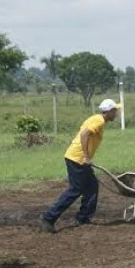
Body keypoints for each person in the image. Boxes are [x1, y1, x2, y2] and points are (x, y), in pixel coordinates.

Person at [40, 99, 120, 233]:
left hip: (77, 158)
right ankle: (49, 217)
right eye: (115, 111)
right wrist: (86, 157)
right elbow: (84, 135)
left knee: (92, 187)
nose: (116, 113)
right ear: (110, 111)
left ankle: (83, 218)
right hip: (77, 159)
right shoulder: (99, 121)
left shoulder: (97, 118)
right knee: (75, 189)